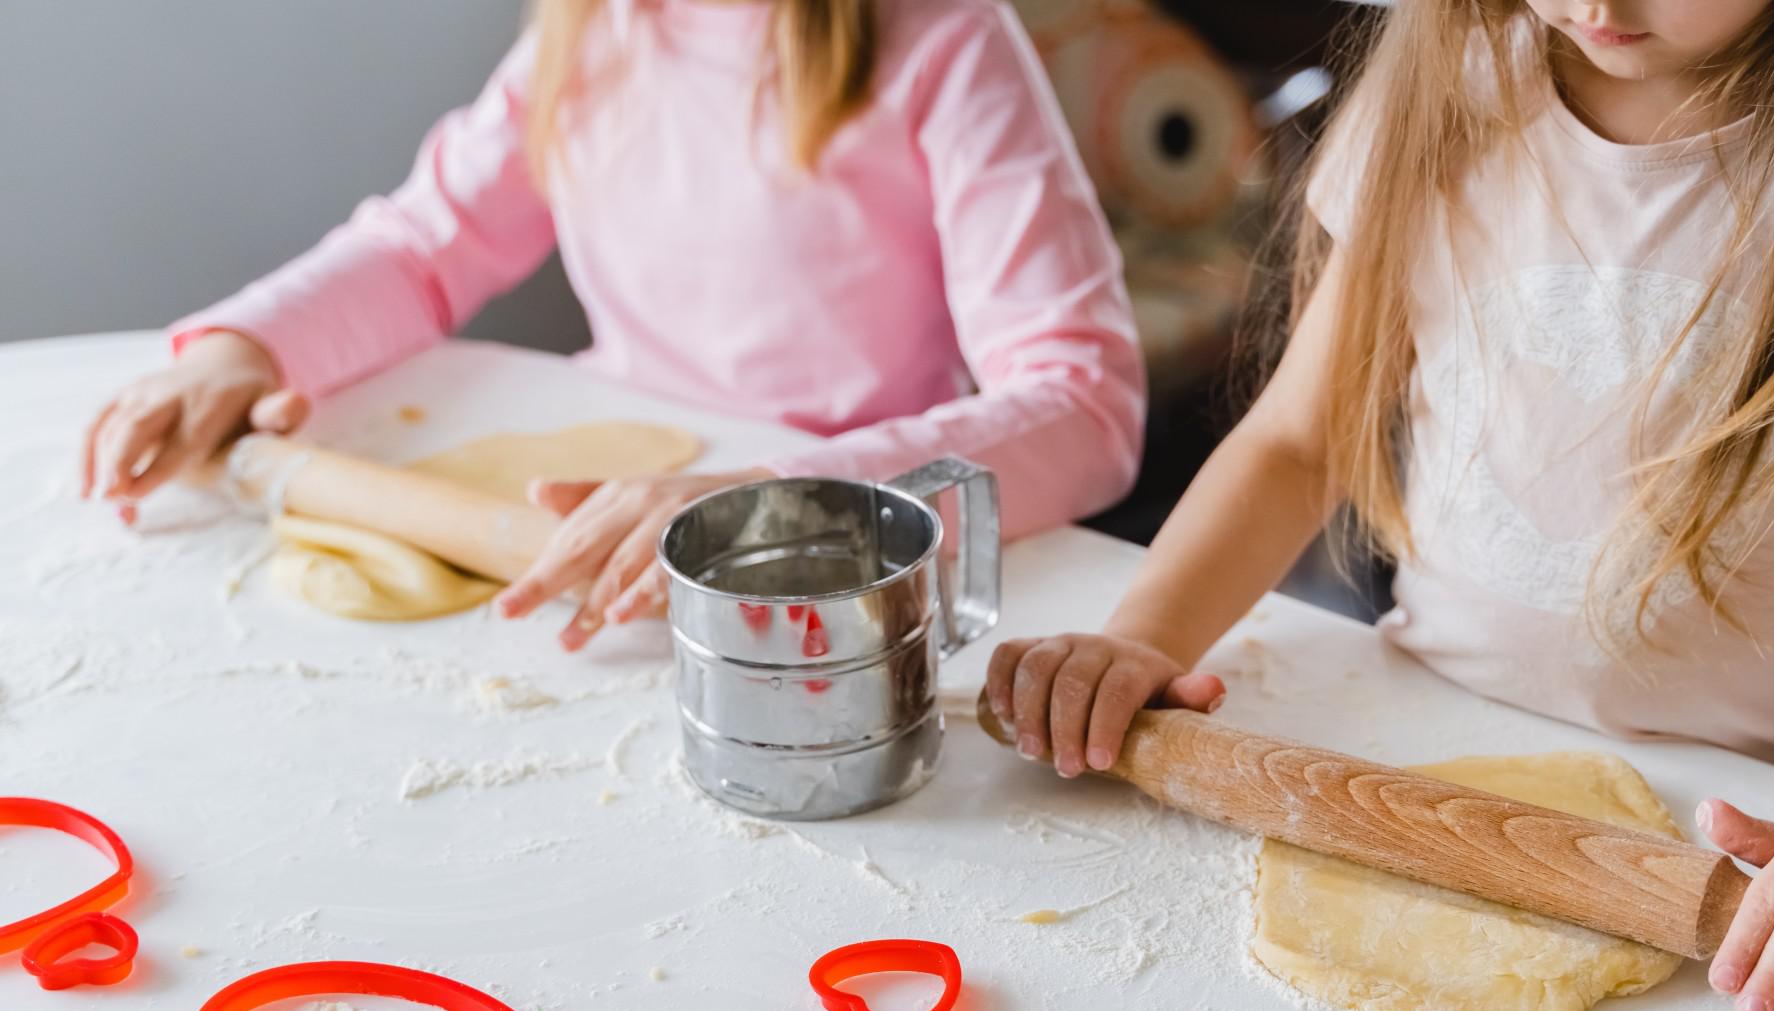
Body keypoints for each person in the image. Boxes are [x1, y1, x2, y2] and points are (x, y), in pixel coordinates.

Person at [989, 0, 1774, 1011]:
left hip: (1744, 836)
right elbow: (1297, 442)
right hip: (1426, 756)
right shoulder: (1453, 91)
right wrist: (1146, 635)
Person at [80, 0, 1144, 649]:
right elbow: (422, 246)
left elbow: (1087, 406)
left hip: (834, 551)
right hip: (612, 525)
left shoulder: (948, 41)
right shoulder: (595, 26)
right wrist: (241, 352)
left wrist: (782, 502)